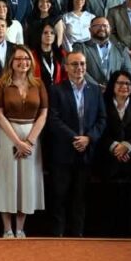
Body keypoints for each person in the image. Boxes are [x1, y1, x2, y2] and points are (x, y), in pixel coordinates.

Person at [0, 45, 48, 238]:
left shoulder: (38, 84)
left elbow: (43, 114)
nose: (23, 62)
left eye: (27, 59)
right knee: (7, 180)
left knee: (26, 181)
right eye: (19, 59)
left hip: (32, 137)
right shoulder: (0, 84)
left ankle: (20, 228)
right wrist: (17, 142)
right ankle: (7, 229)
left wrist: (29, 141)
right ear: (11, 62)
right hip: (7, 136)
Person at [46, 51, 107, 237]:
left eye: (82, 64)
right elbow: (53, 119)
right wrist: (75, 138)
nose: (79, 68)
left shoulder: (95, 90)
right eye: (74, 64)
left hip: (86, 152)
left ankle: (77, 235)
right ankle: (58, 235)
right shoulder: (56, 89)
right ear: (66, 67)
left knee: (80, 197)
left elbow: (102, 119)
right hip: (63, 152)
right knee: (59, 196)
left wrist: (88, 138)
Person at [98, 71, 131, 236]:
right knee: (109, 204)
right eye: (120, 83)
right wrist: (115, 147)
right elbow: (99, 130)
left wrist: (128, 145)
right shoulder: (103, 104)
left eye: (128, 84)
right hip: (109, 161)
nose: (124, 87)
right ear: (113, 86)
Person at [73, 17, 131, 90]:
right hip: (88, 91)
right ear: (90, 29)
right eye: (97, 25)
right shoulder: (80, 47)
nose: (102, 28)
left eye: (105, 26)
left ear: (110, 29)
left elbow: (127, 71)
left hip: (115, 92)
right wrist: (96, 86)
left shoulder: (121, 49)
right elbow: (77, 68)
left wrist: (115, 86)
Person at [32, 23, 68, 89]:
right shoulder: (32, 55)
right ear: (40, 35)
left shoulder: (61, 53)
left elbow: (65, 75)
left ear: (55, 36)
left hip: (58, 91)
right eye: (45, 33)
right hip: (39, 90)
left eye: (52, 33)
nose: (49, 35)